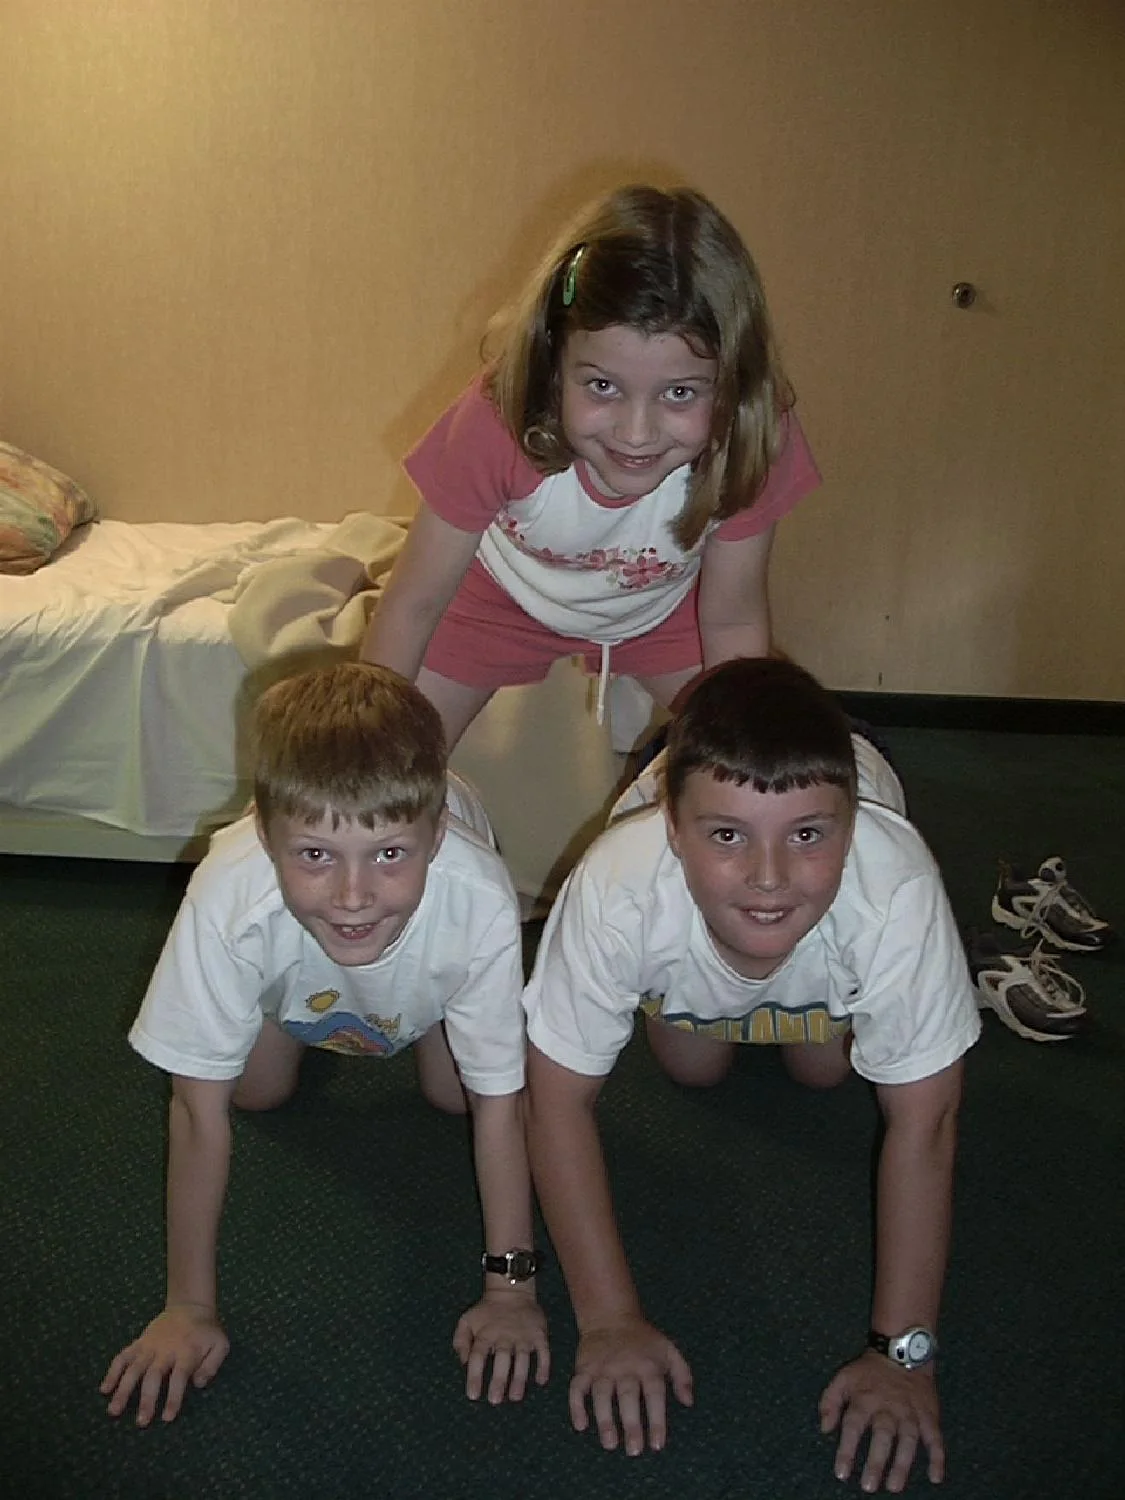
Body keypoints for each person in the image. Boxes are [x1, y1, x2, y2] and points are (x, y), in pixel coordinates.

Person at [522, 657, 981, 1493]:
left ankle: (796, 995)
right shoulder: (617, 880)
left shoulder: (895, 883)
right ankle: (713, 991)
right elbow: (553, 1105)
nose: (769, 875)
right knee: (692, 1067)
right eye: (726, 836)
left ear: (848, 825)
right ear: (673, 828)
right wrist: (608, 1320)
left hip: (840, 855)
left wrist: (902, 1355)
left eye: (808, 835)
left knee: (823, 1071)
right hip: (686, 883)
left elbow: (927, 1124)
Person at [101, 662, 548, 1426]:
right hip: (289, 959)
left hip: (433, 969)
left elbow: (506, 1107)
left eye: (390, 854)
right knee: (254, 1093)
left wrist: (511, 1289)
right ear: (265, 833)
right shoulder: (229, 889)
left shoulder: (476, 895)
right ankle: (284, 1000)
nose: (351, 894)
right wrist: (187, 1306)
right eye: (313, 855)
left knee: (459, 1097)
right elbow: (196, 1112)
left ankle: (424, 1009)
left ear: (437, 835)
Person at [362, 184, 820, 747]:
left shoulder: (752, 434)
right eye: (603, 386)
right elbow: (415, 602)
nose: (636, 433)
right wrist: (370, 745)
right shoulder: (497, 419)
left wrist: (741, 754)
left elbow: (731, 620)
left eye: (679, 393)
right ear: (552, 361)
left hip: (662, 613)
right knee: (390, 756)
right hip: (495, 601)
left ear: (732, 385)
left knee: (769, 753)